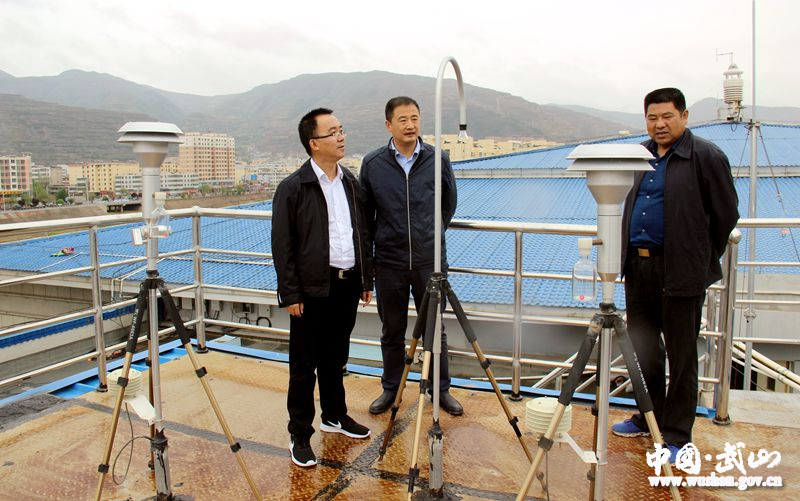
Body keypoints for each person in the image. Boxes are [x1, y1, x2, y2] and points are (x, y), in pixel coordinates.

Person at [612, 88, 739, 463]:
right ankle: (648, 418)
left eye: (667, 116)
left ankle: (678, 435)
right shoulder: (641, 154)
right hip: (639, 267)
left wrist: (698, 258)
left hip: (681, 270)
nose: (659, 124)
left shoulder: (706, 156)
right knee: (645, 350)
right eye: (652, 117)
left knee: (682, 356)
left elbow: (726, 214)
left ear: (684, 116)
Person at [271, 108, 374, 468]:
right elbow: (282, 245)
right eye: (332, 132)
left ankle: (334, 415)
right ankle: (300, 432)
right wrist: (291, 293)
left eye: (341, 130)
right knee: (303, 364)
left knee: (335, 357)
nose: (341, 137)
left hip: (347, 284)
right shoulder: (293, 188)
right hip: (311, 290)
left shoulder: (351, 183)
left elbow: (362, 234)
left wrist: (365, 279)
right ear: (314, 143)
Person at [360, 96, 463, 416]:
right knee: (391, 329)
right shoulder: (373, 164)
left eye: (415, 118)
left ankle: (440, 389)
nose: (410, 125)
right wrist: (371, 265)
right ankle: (391, 388)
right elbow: (365, 216)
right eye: (402, 119)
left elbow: (448, 204)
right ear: (389, 125)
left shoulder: (437, 158)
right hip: (389, 261)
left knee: (435, 329)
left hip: (428, 262)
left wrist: (429, 235)